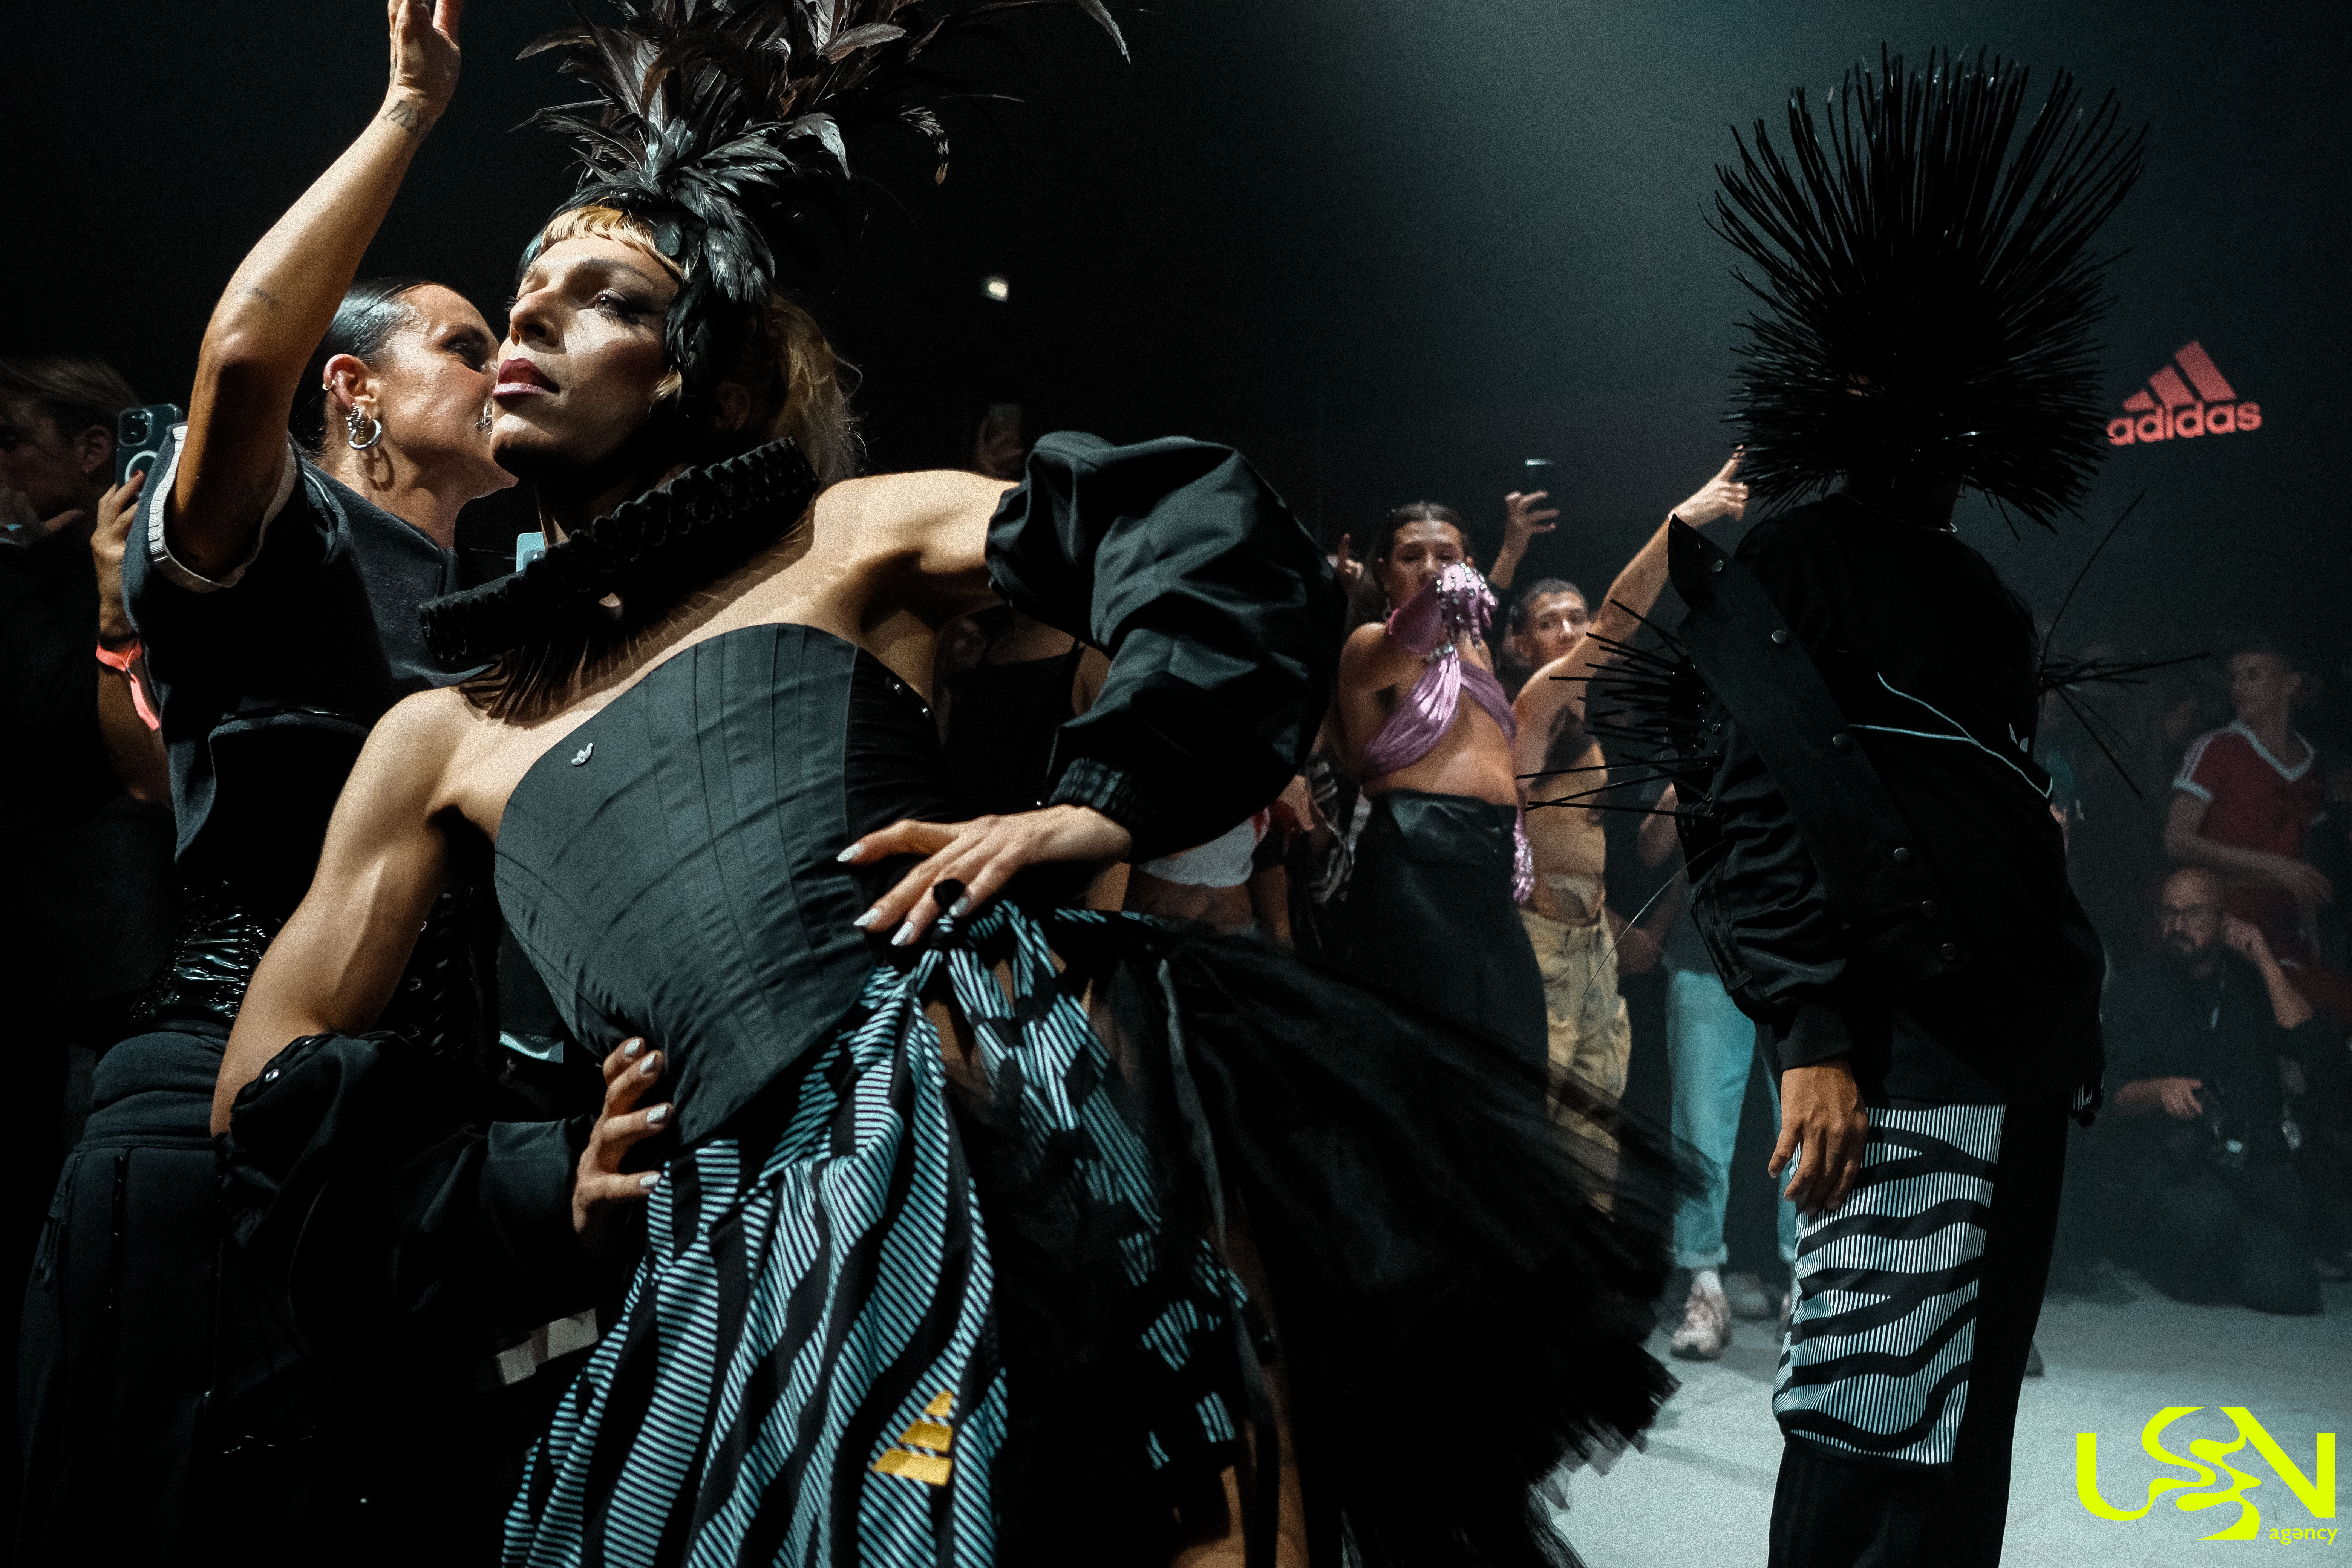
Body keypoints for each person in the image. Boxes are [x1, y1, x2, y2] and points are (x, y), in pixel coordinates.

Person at [206, 9, 1685, 1566]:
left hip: (1014, 1099)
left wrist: (1106, 796)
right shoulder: (443, 738)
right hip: (742, 1249)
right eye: (525, 302)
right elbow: (262, 1090)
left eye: (608, 300)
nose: (531, 324)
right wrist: (536, 1184)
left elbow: (1191, 530)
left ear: (712, 384)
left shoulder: (845, 538)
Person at [17, 5, 540, 1561]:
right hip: (217, 1117)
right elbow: (245, 357)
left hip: (406, 1142)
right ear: (355, 388)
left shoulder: (495, 614)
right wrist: (409, 110)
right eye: (464, 342)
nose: (501, 359)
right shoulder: (281, 534)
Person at [1617, 50, 2142, 1568]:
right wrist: (1813, 1039)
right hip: (1890, 1058)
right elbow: (1746, 816)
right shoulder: (1787, 569)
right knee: (1866, 1410)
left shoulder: (1981, 597)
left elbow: (1991, 806)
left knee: (1961, 1417)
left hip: (2013, 1051)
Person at [0, 355, 178, 1531]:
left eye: (12, 438)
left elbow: (70, 729)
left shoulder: (119, 567)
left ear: (93, 448)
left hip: (108, 968)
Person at [1510, 456, 1747, 1113]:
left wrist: (1615, 928)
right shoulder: (1532, 711)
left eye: (1575, 618)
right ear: (1520, 646)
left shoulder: (1584, 729)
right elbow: (1618, 627)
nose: (1568, 631)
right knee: (1543, 1124)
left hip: (1590, 944)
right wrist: (1682, 522)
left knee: (1597, 1131)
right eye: (1549, 623)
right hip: (1539, 943)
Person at [1332, 503, 1547, 1066]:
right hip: (1412, 862)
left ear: (1469, 565)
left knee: (1518, 1070)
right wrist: (1447, 586)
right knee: (1435, 1068)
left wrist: (1518, 833)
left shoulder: (1477, 651)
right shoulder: (1368, 645)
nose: (1430, 567)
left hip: (1492, 868)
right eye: (1412, 556)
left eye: (1445, 556)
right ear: (1383, 573)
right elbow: (1406, 642)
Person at [2106, 868, 2345, 1314]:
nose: (2179, 926)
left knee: (2291, 1289)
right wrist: (2159, 1090)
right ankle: (2171, 1255)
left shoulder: (2249, 982)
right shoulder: (2137, 990)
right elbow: (2112, 1095)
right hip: (2175, 1165)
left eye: (2194, 913)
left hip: (2247, 1165)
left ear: (2223, 920)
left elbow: (2309, 1044)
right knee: (2203, 1221)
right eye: (2169, 913)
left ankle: (2228, 1260)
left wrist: (2266, 961)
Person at [1639, 784, 1799, 1359]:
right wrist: (1680, 790)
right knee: (1699, 1129)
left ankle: (1806, 1287)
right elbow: (1650, 852)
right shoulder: (1695, 751)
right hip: (1704, 952)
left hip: (1791, 957)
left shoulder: (1795, 742)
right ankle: (1705, 1289)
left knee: (1803, 1124)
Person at [2166, 635, 2352, 1027]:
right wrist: (2273, 866)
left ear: (2290, 683)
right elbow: (2177, 840)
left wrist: (2312, 937)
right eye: (2234, 677)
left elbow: (2302, 864)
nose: (2238, 687)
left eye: (2253, 676)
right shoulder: (2216, 748)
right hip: (2225, 921)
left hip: (2284, 927)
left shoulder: (2312, 764)